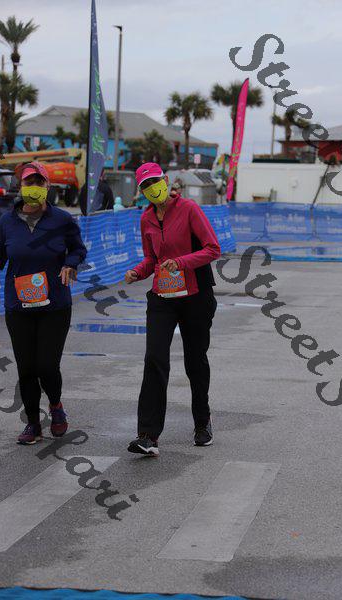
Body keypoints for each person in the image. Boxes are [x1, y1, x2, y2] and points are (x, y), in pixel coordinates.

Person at [125, 162, 221, 457]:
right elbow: (151, 259)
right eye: (145, 186)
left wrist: (181, 262)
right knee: (154, 358)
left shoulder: (189, 208)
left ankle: (202, 422)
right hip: (163, 297)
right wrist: (138, 272)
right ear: (141, 191)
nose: (151, 188)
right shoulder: (146, 218)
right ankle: (148, 435)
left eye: (154, 182)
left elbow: (212, 248)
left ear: (165, 180)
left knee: (195, 361)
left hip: (195, 295)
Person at [0, 162, 87, 444]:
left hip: (54, 305)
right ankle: (33, 424)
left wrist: (70, 264)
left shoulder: (62, 219)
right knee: (26, 368)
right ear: (21, 186)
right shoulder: (6, 221)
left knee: (47, 366)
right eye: (29, 183)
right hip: (19, 306)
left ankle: (56, 405)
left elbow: (78, 249)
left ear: (48, 187)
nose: (33, 188)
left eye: (39, 183)